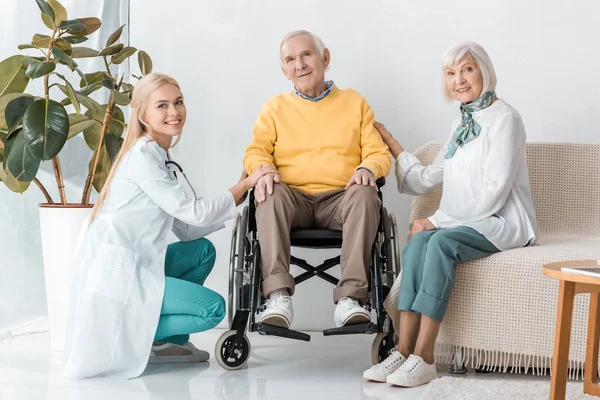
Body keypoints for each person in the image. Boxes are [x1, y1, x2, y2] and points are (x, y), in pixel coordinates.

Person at [62, 73, 274, 379]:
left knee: (201, 251)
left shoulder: (160, 156)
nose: (174, 112)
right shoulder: (143, 157)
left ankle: (166, 343)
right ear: (144, 115)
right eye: (162, 105)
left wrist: (236, 199)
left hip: (140, 261)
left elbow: (187, 229)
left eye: (178, 102)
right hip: (122, 273)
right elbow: (195, 212)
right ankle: (135, 331)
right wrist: (243, 187)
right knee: (212, 309)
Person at [363, 42, 538, 387]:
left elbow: (495, 192)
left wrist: (438, 220)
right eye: (451, 73)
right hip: (464, 220)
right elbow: (425, 179)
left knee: (439, 242)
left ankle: (425, 357)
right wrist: (391, 141)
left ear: (484, 71)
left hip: (501, 221)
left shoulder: (506, 119)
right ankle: (403, 349)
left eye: (467, 69)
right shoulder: (462, 121)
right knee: (416, 244)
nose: (459, 80)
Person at [242, 30, 391, 329]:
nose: (300, 64)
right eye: (291, 59)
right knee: (267, 192)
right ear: (284, 70)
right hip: (291, 199)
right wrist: (263, 168)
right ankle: (278, 296)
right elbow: (255, 151)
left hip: (341, 198)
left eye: (306, 55)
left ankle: (350, 299)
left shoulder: (354, 103)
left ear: (325, 58)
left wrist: (367, 169)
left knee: (365, 193)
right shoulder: (274, 108)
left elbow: (378, 153)